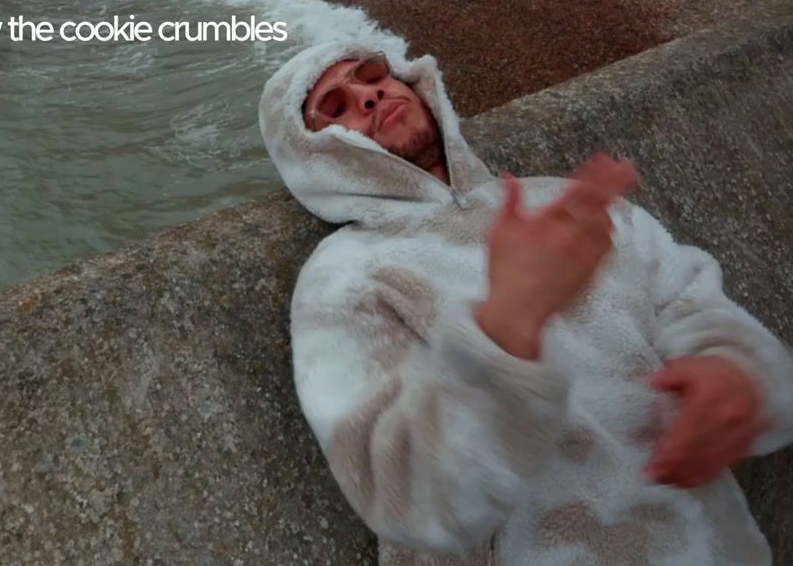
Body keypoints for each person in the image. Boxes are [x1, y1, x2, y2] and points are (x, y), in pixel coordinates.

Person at [258, 28, 793, 565]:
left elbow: (690, 301)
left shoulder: (560, 200)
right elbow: (406, 495)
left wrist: (735, 374)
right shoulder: (341, 281)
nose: (367, 95)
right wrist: (506, 327)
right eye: (336, 106)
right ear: (313, 157)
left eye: (371, 75)